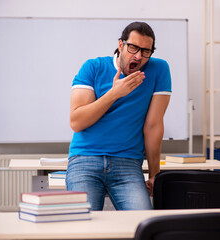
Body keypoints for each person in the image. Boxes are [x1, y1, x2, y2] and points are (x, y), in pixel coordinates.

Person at [66, 22, 171, 210]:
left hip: (127, 162)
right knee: (83, 225)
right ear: (121, 45)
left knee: (142, 222)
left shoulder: (159, 70)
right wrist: (114, 93)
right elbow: (77, 122)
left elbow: (153, 126)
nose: (138, 56)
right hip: (85, 159)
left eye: (146, 51)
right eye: (133, 48)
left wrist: (155, 174)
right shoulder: (93, 67)